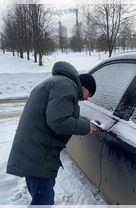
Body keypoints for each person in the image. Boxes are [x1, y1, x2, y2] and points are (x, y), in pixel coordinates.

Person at [6, 61, 97, 205]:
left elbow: (57, 114)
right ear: (84, 87)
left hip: (34, 151)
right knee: (43, 200)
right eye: (89, 94)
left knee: (42, 197)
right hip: (38, 155)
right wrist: (85, 127)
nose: (88, 98)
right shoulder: (66, 86)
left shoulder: (59, 83)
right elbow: (59, 122)